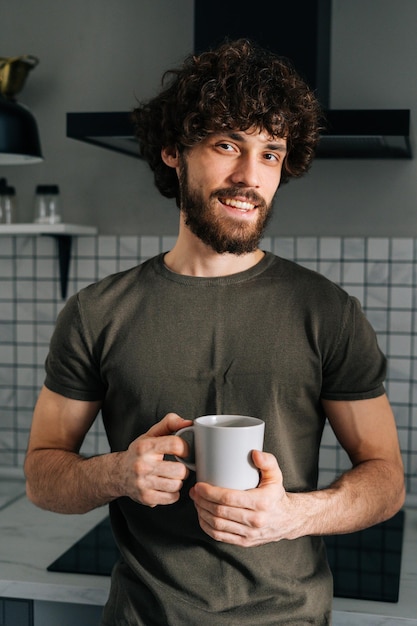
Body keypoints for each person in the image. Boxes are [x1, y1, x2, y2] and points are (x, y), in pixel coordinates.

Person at [24, 39, 405, 625]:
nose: (250, 177)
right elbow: (43, 475)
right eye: (227, 145)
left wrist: (292, 516)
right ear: (174, 151)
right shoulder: (96, 313)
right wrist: (117, 472)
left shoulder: (329, 312)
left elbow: (386, 480)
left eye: (271, 153)